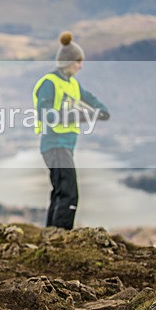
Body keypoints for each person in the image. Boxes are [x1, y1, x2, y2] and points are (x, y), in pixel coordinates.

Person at [33, 32, 110, 230]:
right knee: (69, 193)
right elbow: (45, 114)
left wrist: (99, 112)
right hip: (54, 145)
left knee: (59, 191)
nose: (81, 66)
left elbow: (93, 102)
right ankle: (61, 238)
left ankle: (50, 235)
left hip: (66, 145)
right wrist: (79, 115)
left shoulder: (73, 84)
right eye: (78, 61)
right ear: (68, 61)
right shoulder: (50, 83)